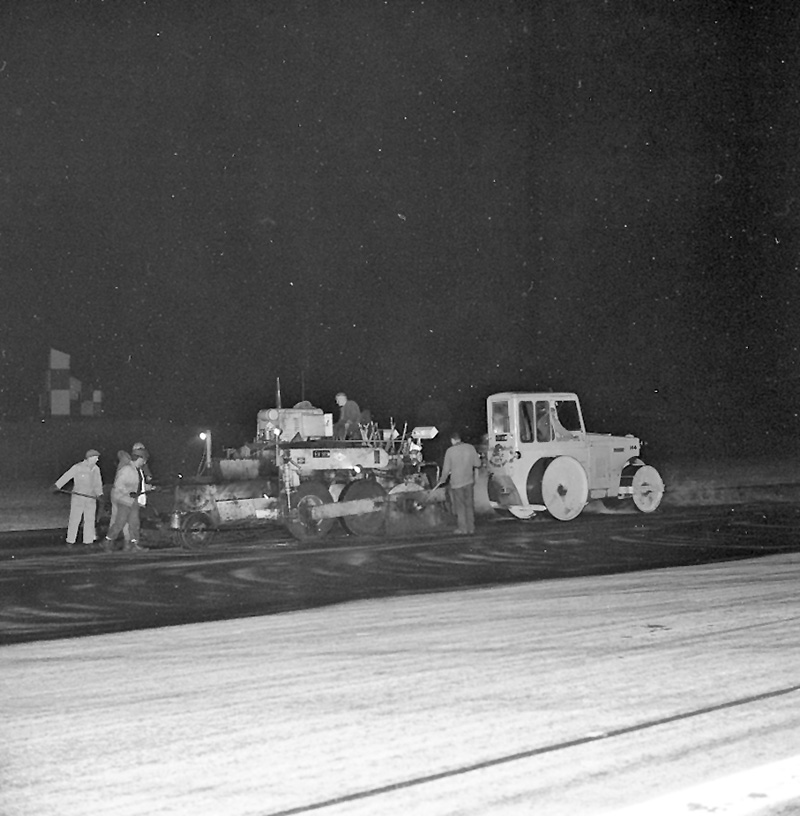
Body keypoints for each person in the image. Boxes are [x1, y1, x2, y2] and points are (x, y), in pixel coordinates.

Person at [433, 430, 482, 536]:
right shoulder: (470, 448)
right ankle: (471, 528)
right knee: (469, 505)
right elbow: (478, 464)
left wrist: (442, 479)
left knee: (460, 506)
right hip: (469, 481)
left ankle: (463, 528)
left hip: (457, 483)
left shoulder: (450, 451)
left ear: (452, 440)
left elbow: (446, 469)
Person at [54, 449, 104, 548]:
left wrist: (100, 494)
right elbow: (66, 476)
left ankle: (88, 541)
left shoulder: (96, 469)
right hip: (78, 498)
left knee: (90, 520)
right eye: (96, 458)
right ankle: (70, 540)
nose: (97, 460)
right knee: (75, 519)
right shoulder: (78, 467)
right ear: (90, 458)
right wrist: (57, 485)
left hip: (91, 498)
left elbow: (98, 484)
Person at [102, 451, 147, 553]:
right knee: (120, 522)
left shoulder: (136, 470)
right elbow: (118, 484)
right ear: (139, 458)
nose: (144, 463)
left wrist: (150, 487)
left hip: (134, 501)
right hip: (124, 501)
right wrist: (128, 492)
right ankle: (107, 541)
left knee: (134, 523)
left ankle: (134, 544)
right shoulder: (127, 469)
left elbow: (138, 485)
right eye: (143, 460)